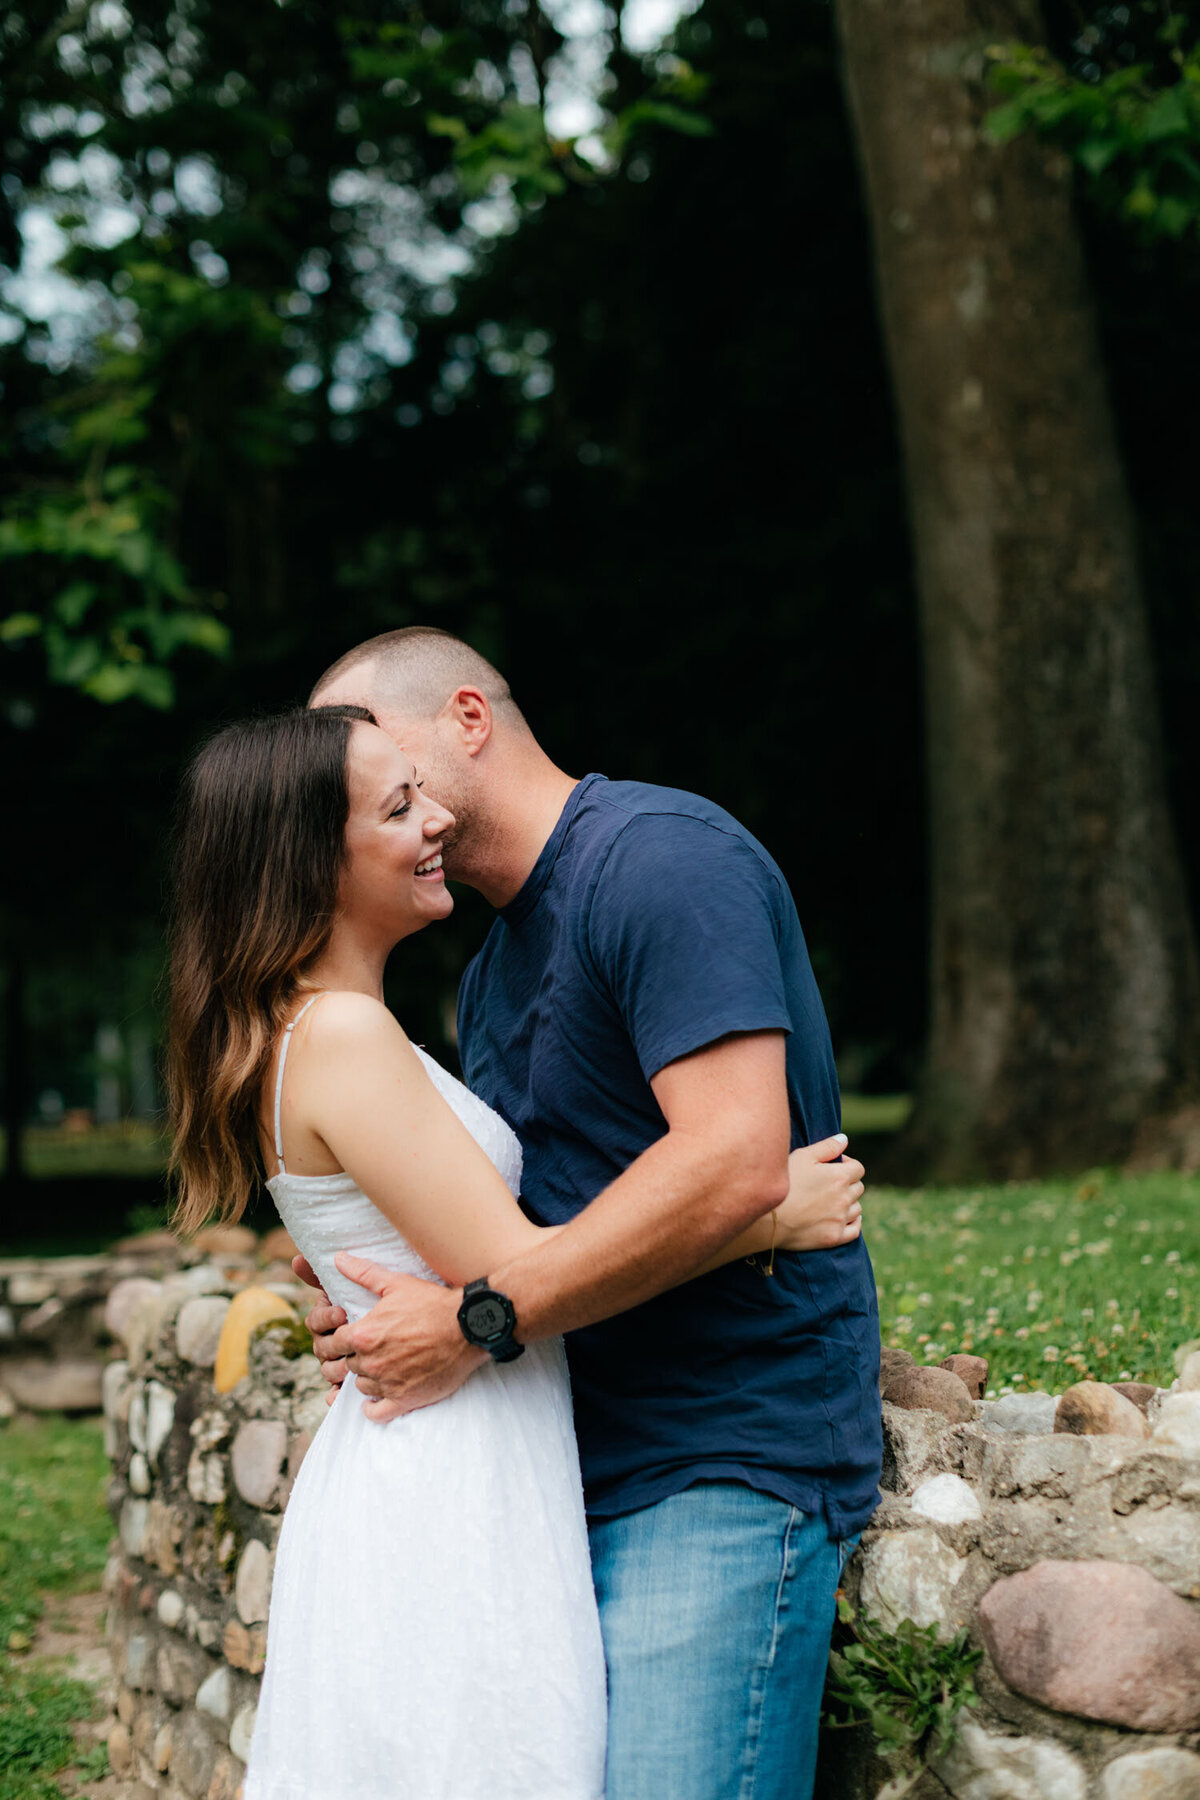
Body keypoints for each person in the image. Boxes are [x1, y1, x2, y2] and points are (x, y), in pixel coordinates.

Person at [165, 703, 866, 1800]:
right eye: (397, 808)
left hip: (514, 1443)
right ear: (311, 860)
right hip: (456, 1464)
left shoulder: (343, 1023)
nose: (434, 819)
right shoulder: (345, 1033)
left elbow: (477, 1263)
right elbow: (510, 1273)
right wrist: (766, 1218)